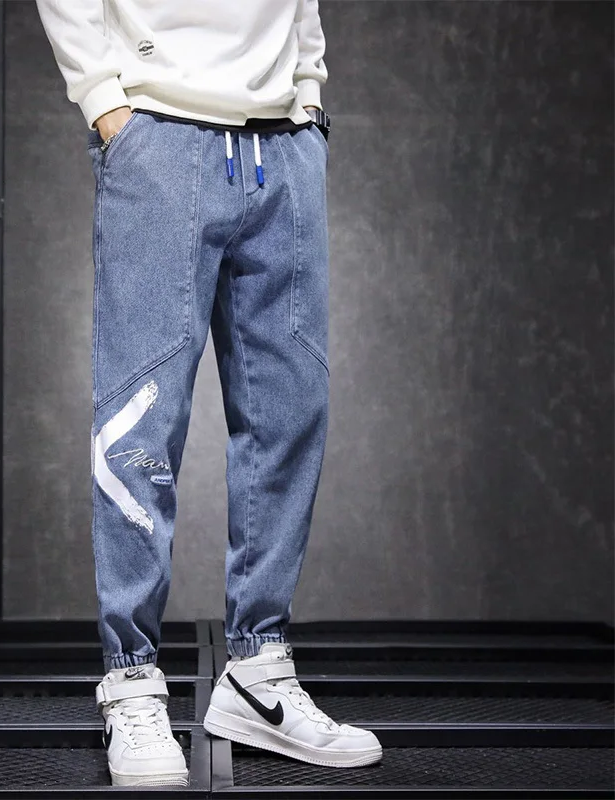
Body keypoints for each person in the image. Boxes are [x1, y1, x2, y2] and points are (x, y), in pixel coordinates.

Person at [35, 0, 383, 787]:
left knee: (290, 412)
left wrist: (308, 92)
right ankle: (132, 679)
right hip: (158, 132)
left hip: (284, 143)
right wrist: (104, 100)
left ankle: (259, 675)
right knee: (140, 421)